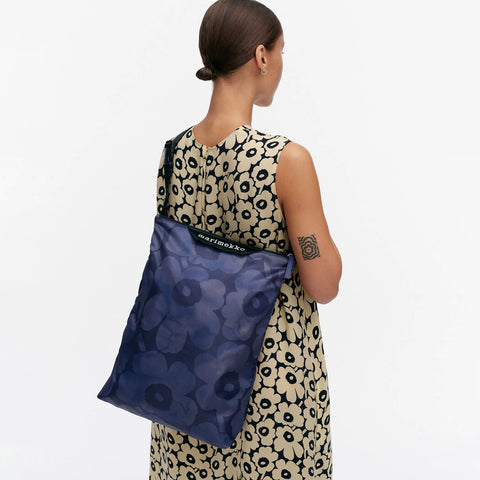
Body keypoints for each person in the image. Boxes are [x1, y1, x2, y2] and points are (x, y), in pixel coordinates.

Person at [149, 0, 342, 478]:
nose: (280, 63)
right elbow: (323, 284)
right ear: (261, 56)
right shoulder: (286, 161)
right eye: (280, 51)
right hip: (270, 386)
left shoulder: (173, 155)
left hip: (187, 384)